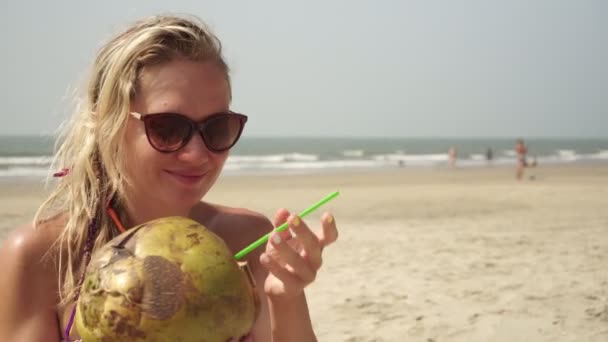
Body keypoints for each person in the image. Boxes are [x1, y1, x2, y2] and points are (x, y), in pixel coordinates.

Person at [0, 15, 338, 342]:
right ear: (107, 122)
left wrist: (286, 300)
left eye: (217, 128)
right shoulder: (41, 258)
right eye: (167, 128)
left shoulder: (247, 242)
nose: (197, 154)